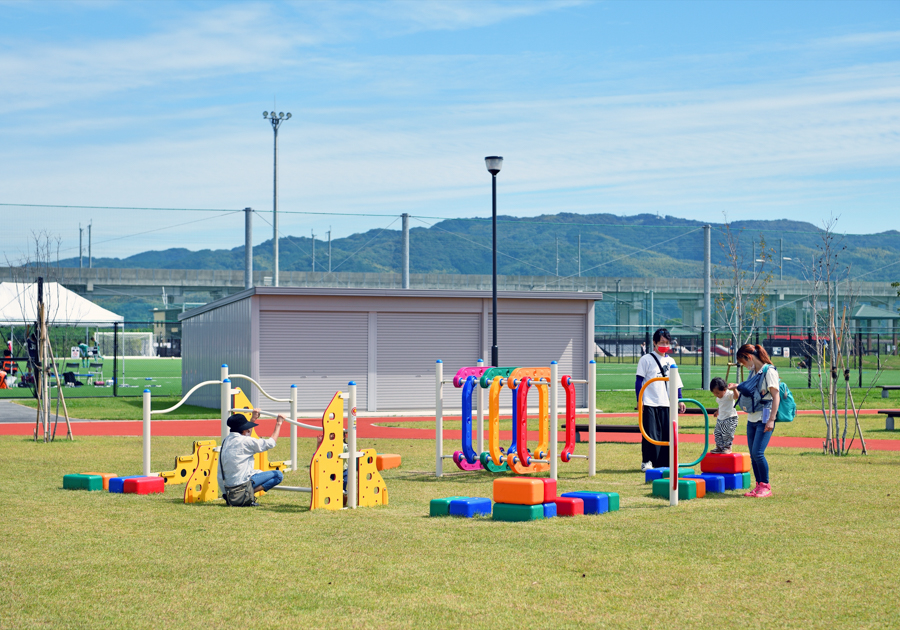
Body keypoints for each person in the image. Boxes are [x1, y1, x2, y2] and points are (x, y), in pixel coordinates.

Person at [635, 328, 685, 472]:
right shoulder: (646, 359)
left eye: (667, 342)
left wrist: (680, 400)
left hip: (666, 402)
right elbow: (639, 381)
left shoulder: (671, 361)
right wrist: (640, 400)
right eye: (662, 342)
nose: (665, 345)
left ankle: (664, 462)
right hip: (650, 401)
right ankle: (647, 461)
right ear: (654, 343)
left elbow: (677, 383)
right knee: (650, 433)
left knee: (666, 433)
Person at [735, 343, 780, 498]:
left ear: (749, 357)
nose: (744, 366)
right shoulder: (754, 372)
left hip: (764, 417)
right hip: (752, 418)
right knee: (753, 455)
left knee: (758, 453)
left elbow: (776, 396)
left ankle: (766, 486)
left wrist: (771, 420)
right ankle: (758, 485)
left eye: (743, 362)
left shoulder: (769, 371)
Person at [217, 409, 285, 506]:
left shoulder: (226, 441)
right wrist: (279, 423)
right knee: (278, 475)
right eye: (247, 428)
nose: (249, 430)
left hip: (227, 489)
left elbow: (246, 436)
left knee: (259, 472)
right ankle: (246, 495)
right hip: (240, 486)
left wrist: (253, 419)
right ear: (243, 430)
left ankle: (238, 495)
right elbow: (271, 443)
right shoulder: (245, 442)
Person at [709, 377, 739, 454]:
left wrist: (734, 389)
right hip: (721, 418)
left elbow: (736, 396)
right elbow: (721, 404)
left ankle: (727, 447)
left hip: (730, 418)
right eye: (714, 393)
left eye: (717, 393)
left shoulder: (728, 394)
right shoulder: (719, 397)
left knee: (727, 433)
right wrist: (717, 411)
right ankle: (719, 447)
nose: (716, 395)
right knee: (717, 433)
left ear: (724, 389)